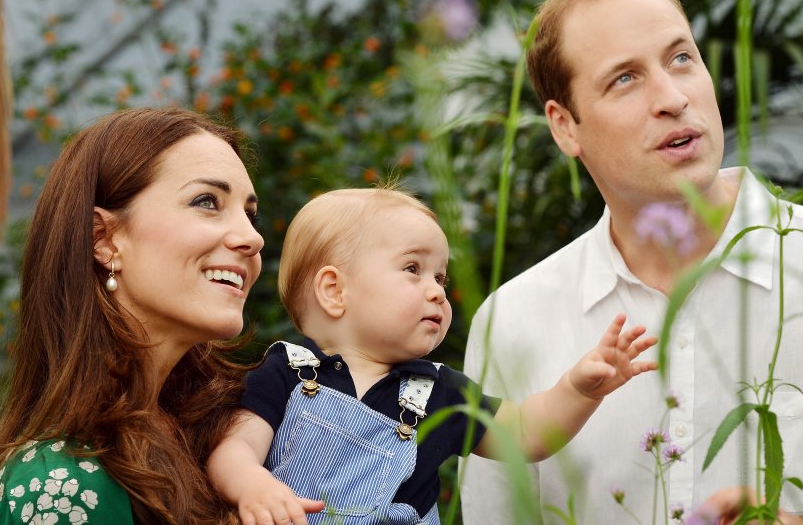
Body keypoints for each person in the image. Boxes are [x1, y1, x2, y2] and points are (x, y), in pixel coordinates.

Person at [460, 0, 803, 525]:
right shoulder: (513, 320)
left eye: (681, 59)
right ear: (566, 127)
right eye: (624, 79)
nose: (672, 98)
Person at [205, 187, 659, 525]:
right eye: (412, 269)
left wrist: (578, 389)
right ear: (334, 290)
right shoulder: (287, 370)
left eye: (440, 277)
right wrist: (253, 487)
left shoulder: (438, 390)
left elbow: (525, 434)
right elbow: (236, 448)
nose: (437, 292)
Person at [0, 107, 265, 524]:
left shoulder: (239, 438)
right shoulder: (64, 483)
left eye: (250, 212)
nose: (252, 237)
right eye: (207, 201)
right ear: (104, 240)